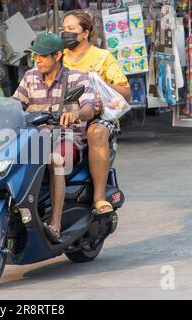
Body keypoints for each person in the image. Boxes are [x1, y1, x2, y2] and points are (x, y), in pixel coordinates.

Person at [13, 32, 101, 243]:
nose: (38, 60)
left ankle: (55, 223)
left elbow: (90, 107)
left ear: (58, 55)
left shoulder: (77, 78)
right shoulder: (30, 77)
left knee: (55, 160)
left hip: (67, 136)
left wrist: (76, 114)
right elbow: (15, 104)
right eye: (36, 56)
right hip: (34, 136)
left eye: (43, 56)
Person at [61, 10, 131, 214]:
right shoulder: (58, 57)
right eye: (64, 29)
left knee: (96, 132)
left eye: (71, 29)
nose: (66, 33)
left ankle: (99, 197)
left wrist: (100, 83)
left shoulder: (103, 57)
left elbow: (125, 93)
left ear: (85, 33)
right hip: (63, 116)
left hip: (99, 117)